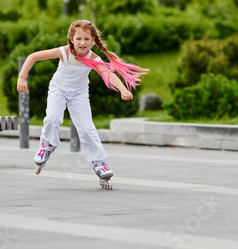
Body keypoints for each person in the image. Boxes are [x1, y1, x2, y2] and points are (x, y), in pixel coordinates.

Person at [16, 20, 148, 188]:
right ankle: (47, 144)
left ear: (93, 41)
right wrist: (21, 78)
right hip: (59, 90)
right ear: (71, 39)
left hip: (79, 95)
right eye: (78, 39)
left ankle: (99, 162)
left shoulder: (94, 58)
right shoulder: (64, 52)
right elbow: (33, 56)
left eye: (86, 39)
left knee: (87, 128)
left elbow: (108, 74)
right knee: (52, 118)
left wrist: (123, 89)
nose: (82, 43)